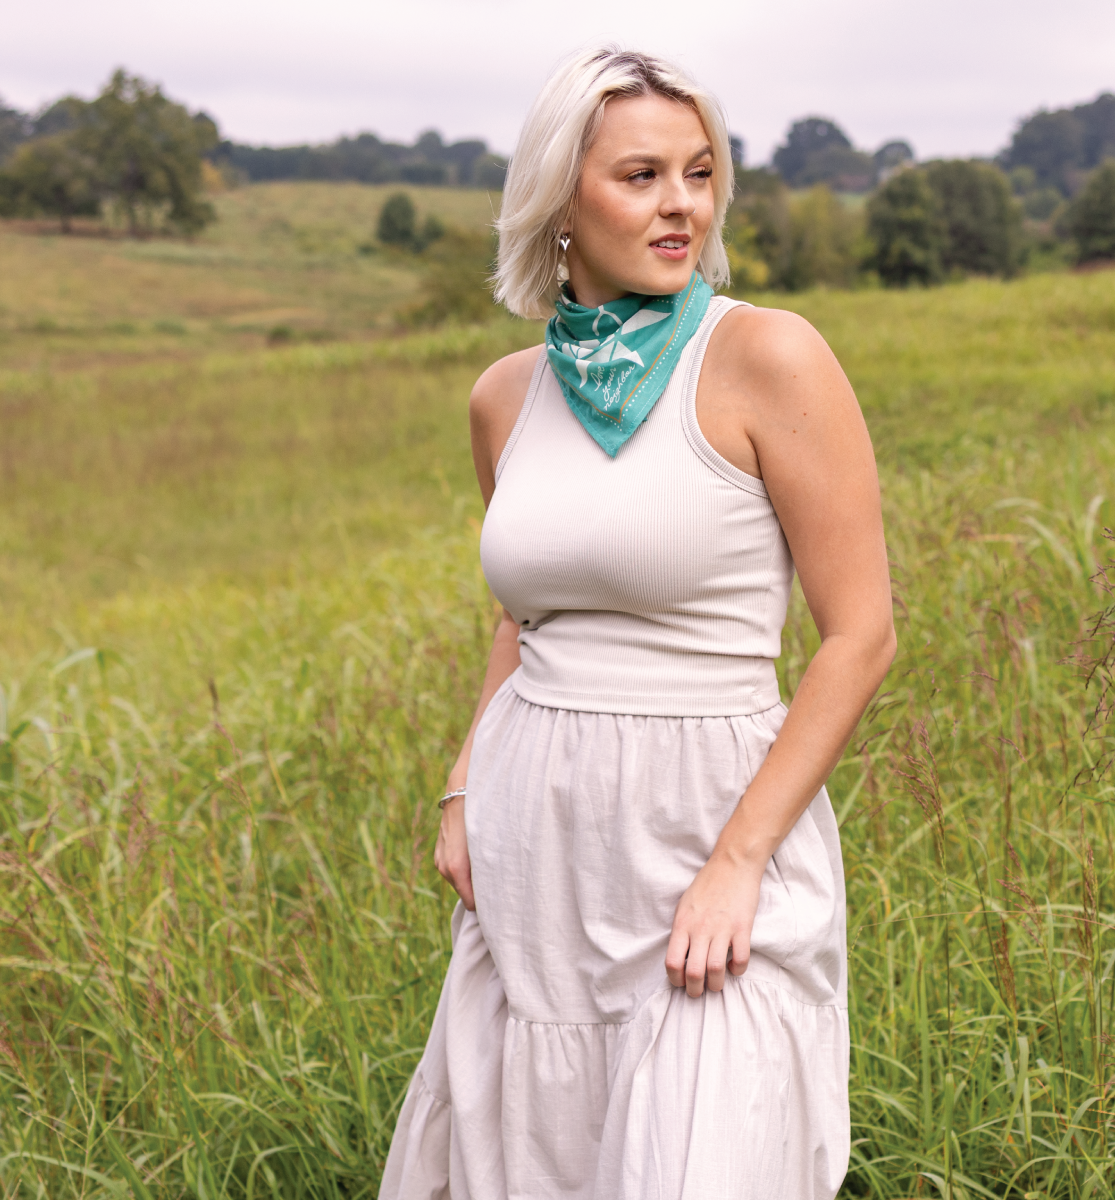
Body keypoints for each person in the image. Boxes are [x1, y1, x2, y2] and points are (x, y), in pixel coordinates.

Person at [379, 45, 896, 1200]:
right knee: (537, 1156)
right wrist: (463, 786)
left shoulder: (767, 357)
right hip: (537, 847)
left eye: (698, 174)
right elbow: (525, 616)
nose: (681, 206)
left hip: (706, 823)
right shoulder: (505, 397)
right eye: (640, 176)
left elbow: (859, 635)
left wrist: (738, 862)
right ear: (559, 200)